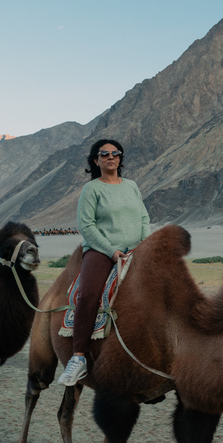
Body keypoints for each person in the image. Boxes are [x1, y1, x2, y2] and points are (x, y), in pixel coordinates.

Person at [58, 139, 151, 386]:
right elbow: (86, 226)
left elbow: (143, 217)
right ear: (95, 160)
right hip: (102, 251)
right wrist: (111, 251)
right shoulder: (92, 190)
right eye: (104, 154)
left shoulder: (132, 186)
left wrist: (145, 245)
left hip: (137, 249)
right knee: (88, 294)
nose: (111, 157)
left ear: (120, 159)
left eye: (115, 154)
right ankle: (78, 358)